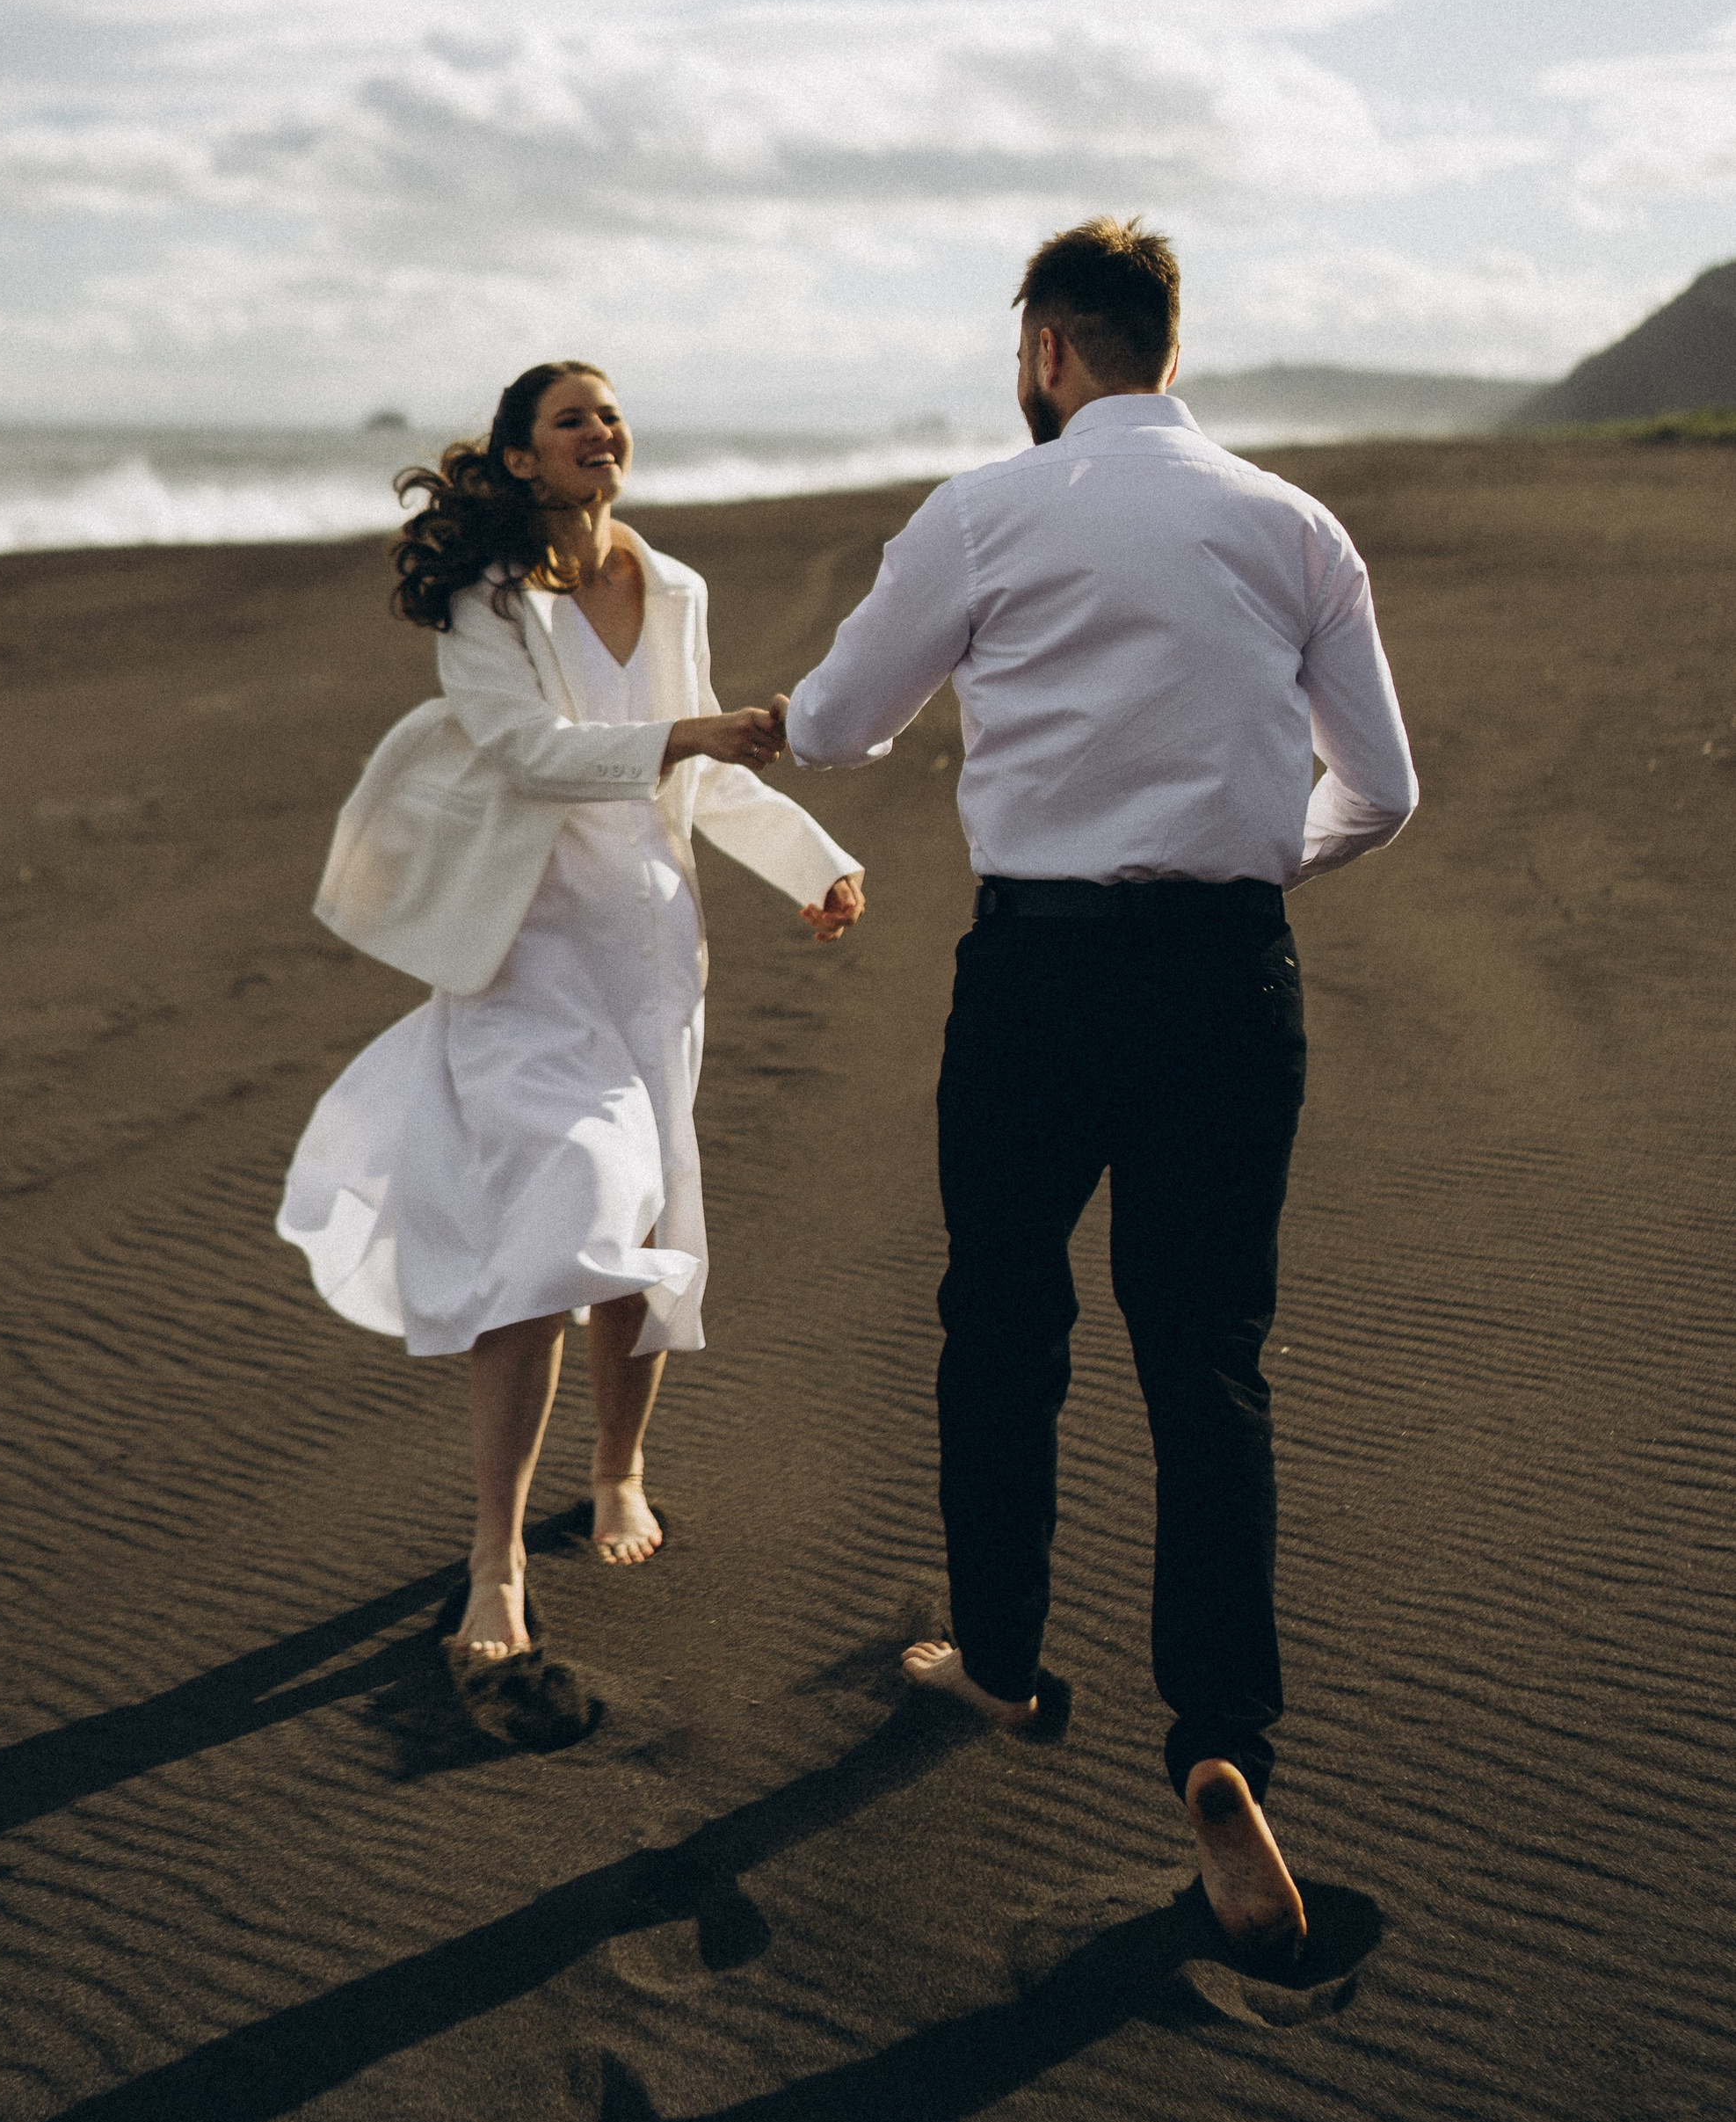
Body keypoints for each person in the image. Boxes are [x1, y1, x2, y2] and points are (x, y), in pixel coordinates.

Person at [775, 220, 1416, 1958]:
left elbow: (835, 726)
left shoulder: (985, 510)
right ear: (1168, 346)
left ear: (1050, 349)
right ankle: (1220, 1741)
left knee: (1002, 1317)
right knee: (1206, 1358)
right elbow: (1382, 790)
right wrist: (1236, 864)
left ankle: (998, 1658)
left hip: (1039, 975)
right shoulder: (1294, 524)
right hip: (1228, 980)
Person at [278, 360, 864, 1724]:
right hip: (528, 954)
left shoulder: (676, 586)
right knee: (565, 1211)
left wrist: (814, 860)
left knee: (644, 1213)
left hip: (648, 948)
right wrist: (687, 730)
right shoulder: (487, 603)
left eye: (609, 412)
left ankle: (615, 1472)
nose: (600, 430)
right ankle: (494, 1557)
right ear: (521, 459)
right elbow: (527, 751)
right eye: (570, 419)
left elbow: (702, 775)